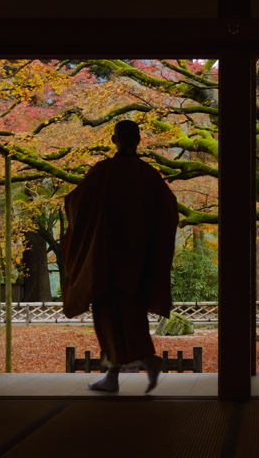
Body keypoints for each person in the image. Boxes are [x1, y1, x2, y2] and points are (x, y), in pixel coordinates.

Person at [61, 120, 178, 393]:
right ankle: (123, 372)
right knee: (131, 315)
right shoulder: (150, 175)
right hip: (139, 261)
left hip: (108, 259)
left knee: (108, 317)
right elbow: (169, 212)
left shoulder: (103, 172)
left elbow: (75, 202)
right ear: (138, 140)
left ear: (114, 140)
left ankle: (140, 364)